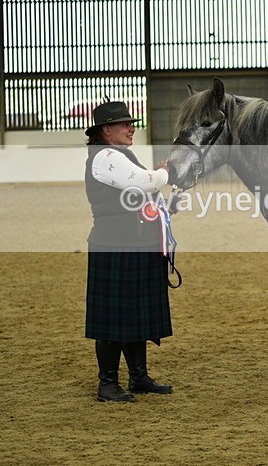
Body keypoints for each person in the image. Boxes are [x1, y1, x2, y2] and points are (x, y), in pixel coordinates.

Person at [84, 100, 174, 402]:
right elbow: (144, 182)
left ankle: (138, 377)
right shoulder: (104, 156)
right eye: (124, 124)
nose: (131, 128)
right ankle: (107, 383)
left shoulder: (120, 154)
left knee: (135, 313)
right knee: (113, 317)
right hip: (115, 244)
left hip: (134, 243)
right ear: (106, 130)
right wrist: (164, 172)